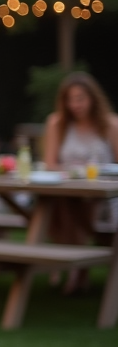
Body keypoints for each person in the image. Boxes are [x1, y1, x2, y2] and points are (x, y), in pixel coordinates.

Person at [43, 72, 118, 290]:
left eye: (80, 98)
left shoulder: (111, 125)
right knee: (63, 203)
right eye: (70, 99)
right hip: (69, 190)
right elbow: (50, 163)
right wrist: (75, 172)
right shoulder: (57, 123)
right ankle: (76, 268)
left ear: (93, 98)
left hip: (104, 196)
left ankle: (73, 269)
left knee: (73, 205)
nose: (75, 104)